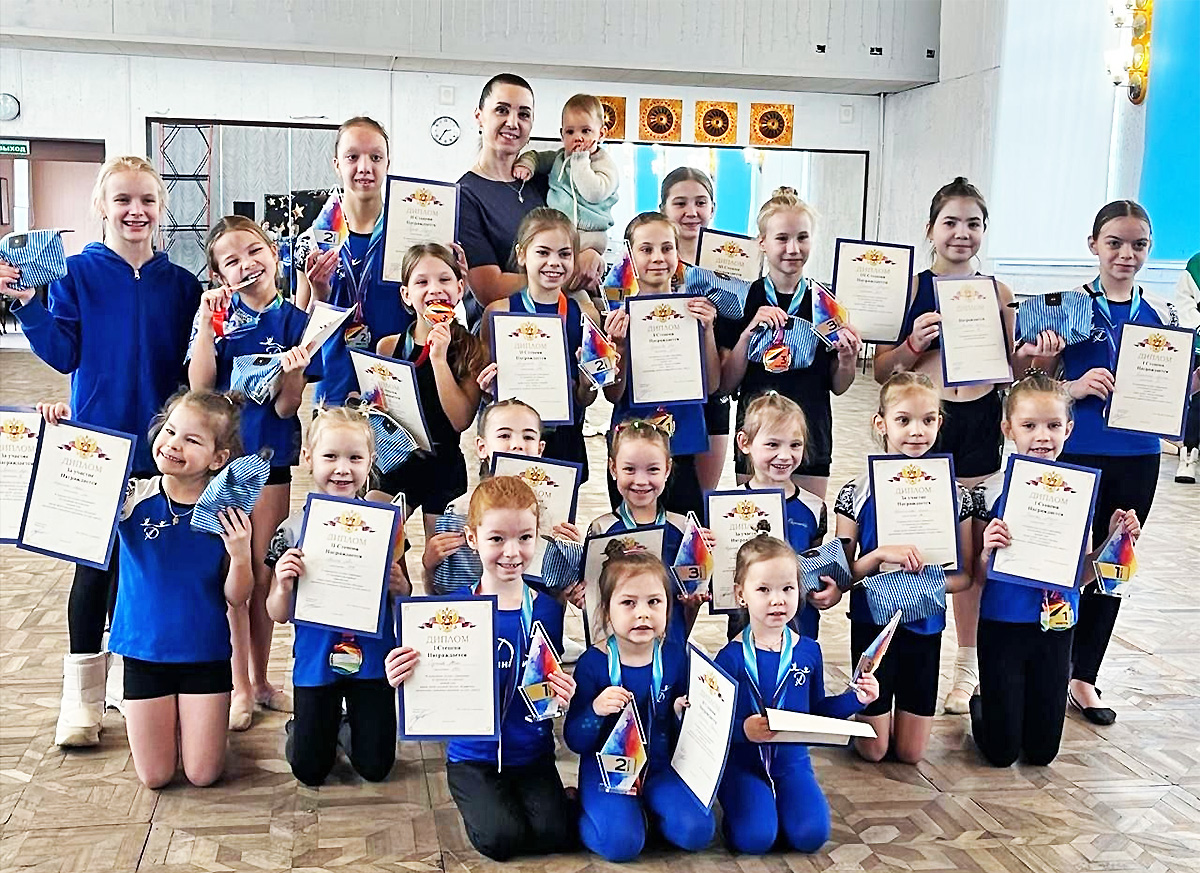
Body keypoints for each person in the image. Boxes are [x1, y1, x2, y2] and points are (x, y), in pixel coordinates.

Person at [0, 155, 201, 747]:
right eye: (123, 200)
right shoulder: (75, 275)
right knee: (93, 574)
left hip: (164, 454)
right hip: (95, 450)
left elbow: (193, 370)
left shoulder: (182, 286)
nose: (136, 211)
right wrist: (28, 305)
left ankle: (126, 680)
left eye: (147, 200)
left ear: (162, 208)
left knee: (145, 572)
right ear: (102, 208)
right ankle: (81, 702)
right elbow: (64, 353)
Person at [38, 391, 253, 787]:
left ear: (218, 458)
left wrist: (240, 555)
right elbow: (67, 486)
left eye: (192, 440)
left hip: (204, 654)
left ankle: (195, 724)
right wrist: (58, 428)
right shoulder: (131, 496)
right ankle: (179, 722)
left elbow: (237, 597)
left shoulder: (226, 512)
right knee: (155, 777)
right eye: (170, 431)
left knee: (203, 775)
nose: (173, 444)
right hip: (142, 654)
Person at [871, 177, 1024, 715]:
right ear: (930, 229)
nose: (962, 233)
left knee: (975, 554)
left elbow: (1015, 367)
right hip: (926, 421)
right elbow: (882, 370)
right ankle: (898, 658)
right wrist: (914, 344)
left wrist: (1037, 354)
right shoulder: (909, 289)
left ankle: (966, 669)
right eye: (951, 222)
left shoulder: (999, 292)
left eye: (973, 223)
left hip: (980, 420)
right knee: (923, 546)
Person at [1025, 200, 1177, 725]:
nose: (1126, 254)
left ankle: (1084, 676)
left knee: (1113, 563)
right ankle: (1049, 664)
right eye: (1114, 242)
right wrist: (1071, 386)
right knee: (1060, 561)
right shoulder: (1066, 307)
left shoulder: (1164, 317)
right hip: (1074, 449)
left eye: (1138, 245)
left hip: (1139, 455)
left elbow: (1181, 390)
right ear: (1093, 245)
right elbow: (1030, 388)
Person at [386, 476, 578, 862]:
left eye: (525, 537)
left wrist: (564, 693)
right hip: (473, 757)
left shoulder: (547, 609)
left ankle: (535, 801)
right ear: (473, 538)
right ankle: (485, 800)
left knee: (556, 834)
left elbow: (547, 680)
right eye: (497, 539)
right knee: (501, 840)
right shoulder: (449, 613)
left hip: (532, 753)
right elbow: (424, 683)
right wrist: (401, 676)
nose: (512, 552)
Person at [971, 372, 1142, 766]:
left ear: (1069, 429)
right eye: (1029, 426)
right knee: (1001, 753)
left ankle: (1013, 705)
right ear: (1008, 429)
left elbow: (1080, 576)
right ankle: (983, 702)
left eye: (1052, 425)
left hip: (1057, 626)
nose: (1042, 436)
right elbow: (977, 577)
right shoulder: (989, 493)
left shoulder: (1077, 493)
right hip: (1002, 624)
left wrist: (1112, 541)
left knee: (1042, 753)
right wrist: (986, 551)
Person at [189, 215, 316, 730]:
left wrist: (294, 372)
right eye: (232, 260)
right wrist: (204, 323)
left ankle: (260, 679)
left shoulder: (296, 320)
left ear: (273, 251)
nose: (246, 264)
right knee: (231, 578)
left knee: (263, 575)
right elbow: (201, 388)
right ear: (219, 274)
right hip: (224, 463)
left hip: (272, 463)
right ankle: (237, 685)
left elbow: (286, 409)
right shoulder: (219, 318)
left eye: (254, 251)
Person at [264, 407, 411, 786]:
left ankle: (343, 727)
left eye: (355, 458)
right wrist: (282, 584)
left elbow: (404, 597)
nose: (342, 469)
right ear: (308, 457)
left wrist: (399, 587)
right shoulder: (291, 530)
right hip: (317, 659)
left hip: (374, 658)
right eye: (330, 456)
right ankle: (305, 728)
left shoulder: (386, 525)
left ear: (370, 461)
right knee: (310, 770)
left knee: (376, 768)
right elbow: (276, 612)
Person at [835, 372, 974, 764]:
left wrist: (925, 583)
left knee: (911, 754)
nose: (917, 431)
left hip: (925, 625)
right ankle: (858, 712)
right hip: (872, 624)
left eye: (928, 420)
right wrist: (879, 556)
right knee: (874, 750)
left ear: (939, 423)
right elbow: (844, 575)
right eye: (903, 420)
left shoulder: (956, 496)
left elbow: (965, 577)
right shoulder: (855, 492)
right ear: (881, 423)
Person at [715, 536, 878, 854]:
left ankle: (777, 807)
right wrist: (744, 729)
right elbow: (713, 727)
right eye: (764, 590)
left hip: (792, 763)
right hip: (744, 764)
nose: (777, 600)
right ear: (741, 594)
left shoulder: (808, 651)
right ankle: (744, 812)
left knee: (811, 836)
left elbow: (816, 712)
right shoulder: (729, 658)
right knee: (755, 839)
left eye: (787, 588)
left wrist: (856, 698)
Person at [564, 551, 715, 862]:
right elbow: (574, 739)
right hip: (608, 770)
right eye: (629, 603)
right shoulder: (593, 664)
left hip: (659, 767)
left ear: (668, 608)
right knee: (620, 845)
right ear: (607, 611)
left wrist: (681, 714)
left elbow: (685, 734)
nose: (643, 614)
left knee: (698, 831)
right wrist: (595, 710)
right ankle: (583, 810)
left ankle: (646, 814)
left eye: (654, 602)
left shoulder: (675, 657)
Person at [718, 190, 861, 500]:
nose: (793, 249)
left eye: (802, 238)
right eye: (782, 238)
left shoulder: (827, 304)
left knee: (806, 524)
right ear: (762, 242)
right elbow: (726, 384)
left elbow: (838, 386)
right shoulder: (743, 299)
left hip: (811, 435)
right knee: (757, 526)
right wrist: (748, 333)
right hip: (757, 438)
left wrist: (848, 359)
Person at [603, 212, 720, 517]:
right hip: (631, 450)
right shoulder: (617, 316)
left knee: (682, 534)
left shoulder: (694, 309)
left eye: (667, 248)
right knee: (631, 536)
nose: (658, 257)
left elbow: (712, 385)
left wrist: (708, 330)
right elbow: (613, 394)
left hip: (682, 444)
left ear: (678, 253)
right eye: (646, 249)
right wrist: (620, 346)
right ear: (630, 256)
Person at [458, 74, 604, 310]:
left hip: (561, 319)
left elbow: (585, 224)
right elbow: (490, 289)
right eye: (502, 110)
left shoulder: (547, 179)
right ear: (479, 116)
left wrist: (592, 254)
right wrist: (569, 272)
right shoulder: (465, 195)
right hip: (505, 325)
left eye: (523, 114)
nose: (513, 122)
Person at [479, 207, 604, 480]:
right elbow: (490, 395)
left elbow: (585, 399)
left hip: (564, 440)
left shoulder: (586, 315)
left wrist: (587, 383)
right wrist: (488, 390)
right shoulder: (498, 312)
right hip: (511, 441)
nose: (554, 262)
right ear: (522, 254)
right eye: (543, 252)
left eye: (564, 254)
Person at [296, 116, 412, 406]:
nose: (364, 167)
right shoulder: (312, 241)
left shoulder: (408, 236)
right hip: (335, 386)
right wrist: (319, 292)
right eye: (352, 157)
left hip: (397, 385)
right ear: (337, 164)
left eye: (375, 157)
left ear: (387, 164)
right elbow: (301, 331)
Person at [375, 244, 486, 539]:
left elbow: (460, 420)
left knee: (443, 557)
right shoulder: (388, 347)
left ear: (460, 288)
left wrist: (438, 358)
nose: (434, 289)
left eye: (444, 279)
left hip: (444, 465)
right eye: (422, 282)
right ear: (406, 294)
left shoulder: (471, 350)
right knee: (379, 536)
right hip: (397, 462)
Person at [727, 392, 840, 641]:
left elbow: (815, 566)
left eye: (795, 445)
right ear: (744, 442)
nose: (785, 455)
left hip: (801, 627)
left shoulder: (814, 507)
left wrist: (831, 591)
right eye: (773, 444)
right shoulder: (726, 508)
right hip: (746, 629)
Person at [589, 419, 707, 649]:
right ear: (613, 468)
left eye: (652, 469)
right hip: (616, 650)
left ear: (667, 469)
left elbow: (689, 601)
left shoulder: (684, 529)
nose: (641, 481)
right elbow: (594, 601)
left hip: (669, 648)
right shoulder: (601, 530)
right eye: (629, 469)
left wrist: (696, 595)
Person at [422, 398, 545, 594]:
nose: (517, 445)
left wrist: (569, 556)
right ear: (482, 447)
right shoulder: (459, 511)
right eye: (504, 435)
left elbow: (555, 597)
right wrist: (429, 565)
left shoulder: (556, 511)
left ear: (540, 449)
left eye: (528, 437)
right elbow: (441, 593)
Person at [660, 167, 730, 492]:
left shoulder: (730, 268)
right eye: (680, 203)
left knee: (700, 502)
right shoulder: (647, 265)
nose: (691, 212)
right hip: (656, 394)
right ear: (663, 208)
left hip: (711, 398)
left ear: (713, 208)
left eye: (701, 202)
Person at [513, 94, 619, 257]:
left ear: (601, 133)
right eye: (570, 132)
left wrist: (580, 160)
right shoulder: (559, 158)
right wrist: (526, 165)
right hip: (559, 228)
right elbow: (536, 156)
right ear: (562, 135)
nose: (578, 137)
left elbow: (593, 193)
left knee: (583, 264)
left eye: (586, 131)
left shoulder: (604, 164)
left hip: (591, 233)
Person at [1173, 251, 1200, 484]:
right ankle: (1188, 458)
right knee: (1196, 403)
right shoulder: (1196, 264)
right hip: (1199, 347)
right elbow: (1185, 303)